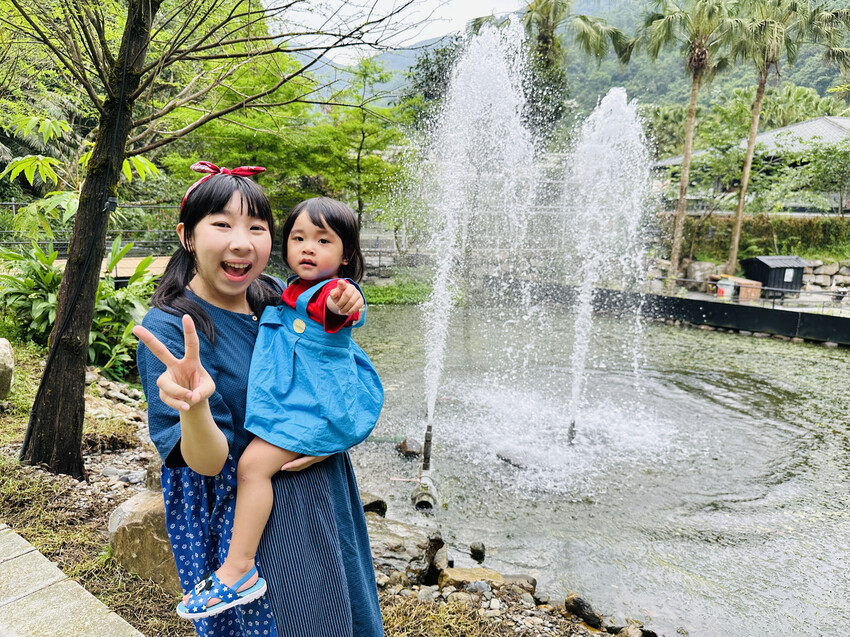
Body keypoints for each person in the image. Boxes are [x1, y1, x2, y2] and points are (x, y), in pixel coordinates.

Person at [134, 162, 384, 636]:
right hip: (241, 519)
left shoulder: (279, 298)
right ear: (188, 235)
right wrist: (196, 406)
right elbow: (205, 463)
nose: (242, 242)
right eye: (222, 224)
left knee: (342, 616)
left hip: (320, 489)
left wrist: (328, 438)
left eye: (257, 227)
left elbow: (342, 378)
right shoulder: (172, 328)